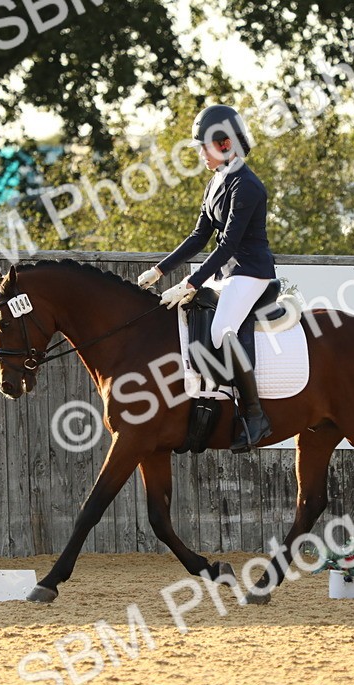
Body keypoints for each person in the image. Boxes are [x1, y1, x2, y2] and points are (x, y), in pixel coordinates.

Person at [137, 104, 275, 452]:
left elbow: (228, 245)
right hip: (226, 274)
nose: (200, 154)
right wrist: (161, 270)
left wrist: (191, 282)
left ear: (225, 145)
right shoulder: (216, 182)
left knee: (220, 330)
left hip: (249, 273)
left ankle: (256, 416)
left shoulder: (248, 186)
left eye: (204, 147)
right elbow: (200, 237)